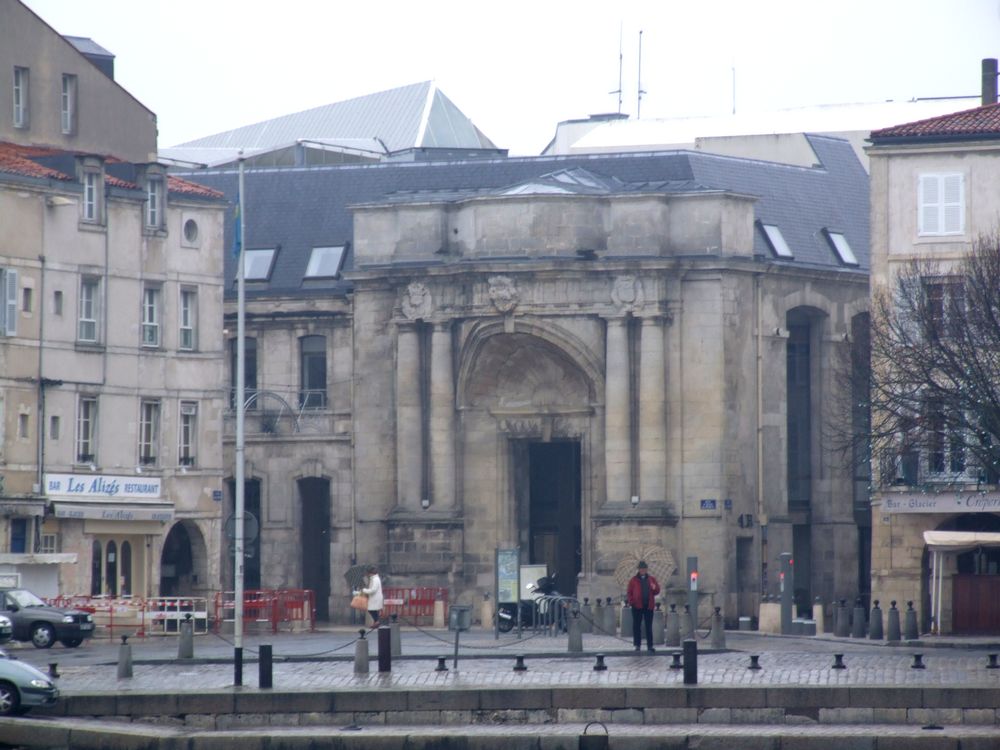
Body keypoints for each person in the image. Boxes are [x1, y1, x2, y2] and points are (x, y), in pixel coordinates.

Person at [626, 560, 660, 652]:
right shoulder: (633, 580)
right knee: (636, 626)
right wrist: (632, 602)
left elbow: (657, 591)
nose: (643, 570)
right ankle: (637, 645)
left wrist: (654, 588)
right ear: (639, 569)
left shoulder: (651, 579)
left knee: (648, 626)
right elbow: (629, 592)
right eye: (641, 569)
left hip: (648, 606)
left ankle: (650, 645)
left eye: (644, 569)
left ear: (646, 569)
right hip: (637, 606)